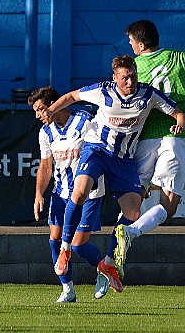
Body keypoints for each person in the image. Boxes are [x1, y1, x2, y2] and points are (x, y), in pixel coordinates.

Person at [44, 55, 184, 298]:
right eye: (125, 77)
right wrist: (51, 109)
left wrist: (180, 122)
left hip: (124, 159)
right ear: (115, 78)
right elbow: (71, 96)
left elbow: (177, 112)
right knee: (79, 191)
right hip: (97, 150)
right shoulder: (102, 91)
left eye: (133, 76)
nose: (130, 82)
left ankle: (108, 263)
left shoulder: (147, 95)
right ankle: (65, 249)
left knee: (133, 212)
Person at [28, 86, 108, 302]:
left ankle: (105, 270)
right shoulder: (45, 133)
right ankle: (67, 290)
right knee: (54, 240)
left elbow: (102, 151)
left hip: (88, 193)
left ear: (55, 105)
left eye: (41, 109)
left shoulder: (84, 121)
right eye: (36, 111)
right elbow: (45, 167)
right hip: (61, 193)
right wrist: (39, 194)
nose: (38, 115)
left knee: (78, 245)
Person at [115, 20, 185, 266]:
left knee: (135, 197)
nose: (131, 46)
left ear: (141, 44)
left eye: (132, 42)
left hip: (142, 138)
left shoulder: (131, 69)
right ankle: (130, 233)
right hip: (173, 135)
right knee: (169, 204)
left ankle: (114, 252)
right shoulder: (179, 58)